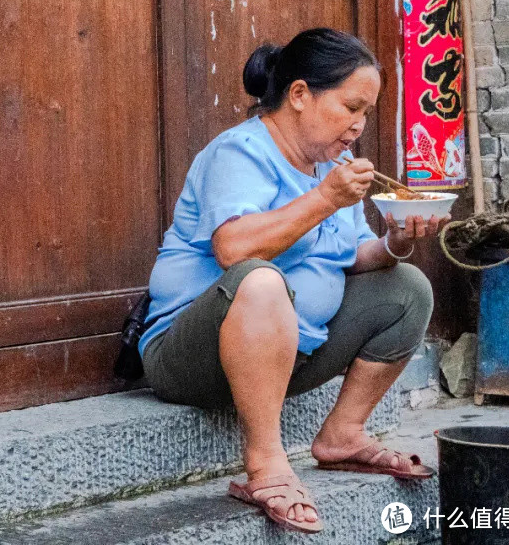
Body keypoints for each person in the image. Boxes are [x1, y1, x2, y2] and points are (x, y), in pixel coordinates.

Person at [139, 29, 444, 533]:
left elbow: (353, 258)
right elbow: (234, 249)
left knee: (407, 288)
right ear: (300, 95)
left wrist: (398, 238)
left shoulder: (334, 166)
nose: (358, 126)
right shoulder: (240, 152)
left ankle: (343, 435)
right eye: (350, 107)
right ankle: (265, 464)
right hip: (189, 357)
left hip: (290, 352)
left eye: (365, 112)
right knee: (260, 280)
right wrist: (325, 198)